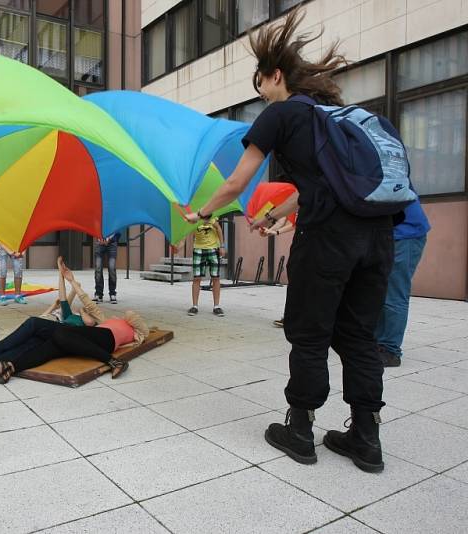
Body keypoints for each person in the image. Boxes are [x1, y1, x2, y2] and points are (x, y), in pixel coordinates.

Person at [180, 8, 394, 473]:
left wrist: (204, 211)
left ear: (275, 76)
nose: (259, 91)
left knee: (309, 333)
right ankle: (366, 436)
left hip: (328, 242)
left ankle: (299, 429)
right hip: (378, 237)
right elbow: (310, 190)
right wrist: (273, 217)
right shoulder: (334, 119)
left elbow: (237, 183)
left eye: (259, 82)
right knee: (358, 335)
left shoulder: (281, 115)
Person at [0, 263, 148, 383]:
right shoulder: (102, 320)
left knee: (36, 324)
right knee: (46, 346)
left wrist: (124, 320)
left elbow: (133, 317)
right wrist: (70, 280)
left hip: (106, 340)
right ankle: (6, 365)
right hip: (82, 338)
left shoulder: (135, 330)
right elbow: (87, 300)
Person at [0, 256, 105, 359]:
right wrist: (62, 274)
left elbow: (90, 317)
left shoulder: (97, 328)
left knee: (30, 333)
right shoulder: (71, 317)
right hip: (52, 332)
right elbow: (64, 297)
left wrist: (83, 308)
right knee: (27, 341)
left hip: (57, 336)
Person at [375, 199, 430, 367]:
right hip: (387, 233)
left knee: (394, 292)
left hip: (405, 233)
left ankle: (390, 351)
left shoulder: (389, 173)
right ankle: (377, 342)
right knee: (378, 290)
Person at [259, 216, 296, 329]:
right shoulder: (291, 202)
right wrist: (270, 231)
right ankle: (290, 317)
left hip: (317, 246)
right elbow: (282, 220)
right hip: (300, 246)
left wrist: (275, 231)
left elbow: (296, 224)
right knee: (294, 284)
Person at [187, 217, 226, 317]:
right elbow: (190, 233)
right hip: (198, 249)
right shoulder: (195, 218)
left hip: (213, 249)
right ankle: (194, 306)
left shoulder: (212, 217)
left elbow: (219, 229)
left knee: (216, 277)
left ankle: (216, 306)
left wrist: (222, 246)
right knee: (196, 278)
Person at [93, 232, 120, 303]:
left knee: (112, 268)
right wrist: (99, 238)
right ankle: (98, 293)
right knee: (98, 268)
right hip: (99, 242)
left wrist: (109, 239)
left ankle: (112, 293)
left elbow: (118, 230)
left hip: (112, 243)